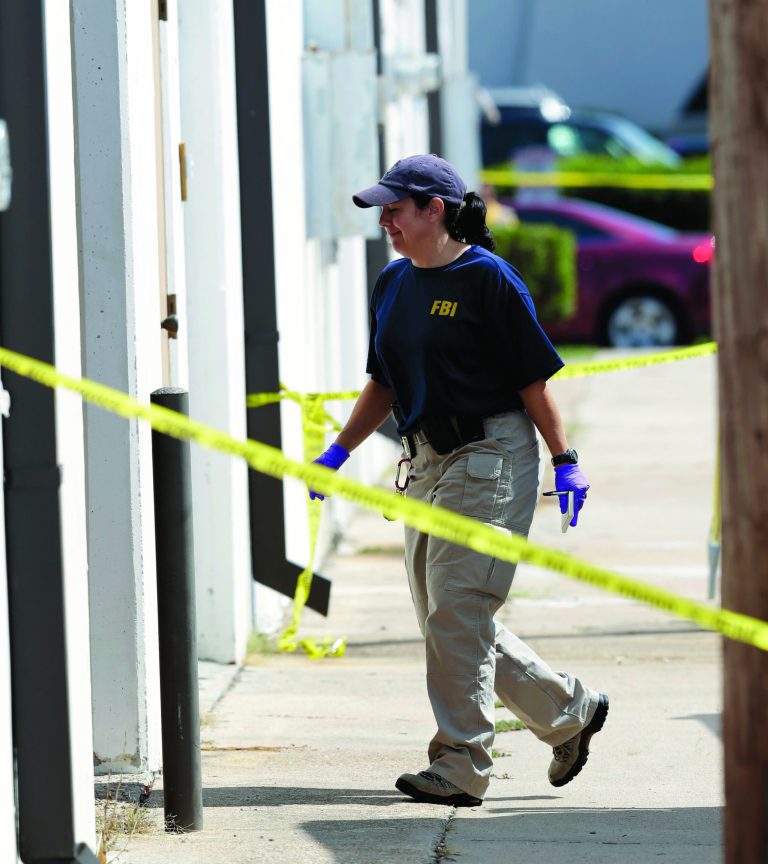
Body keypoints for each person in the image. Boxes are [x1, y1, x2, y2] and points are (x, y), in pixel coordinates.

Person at [309, 154, 608, 808]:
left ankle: (461, 763)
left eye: (395, 208)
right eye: (382, 211)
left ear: (435, 210)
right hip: (425, 462)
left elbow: (533, 382)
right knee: (448, 620)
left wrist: (565, 459)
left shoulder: (489, 281)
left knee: (457, 611)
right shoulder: (392, 284)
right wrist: (336, 453)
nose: (385, 220)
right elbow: (384, 383)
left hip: (490, 454)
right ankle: (568, 712)